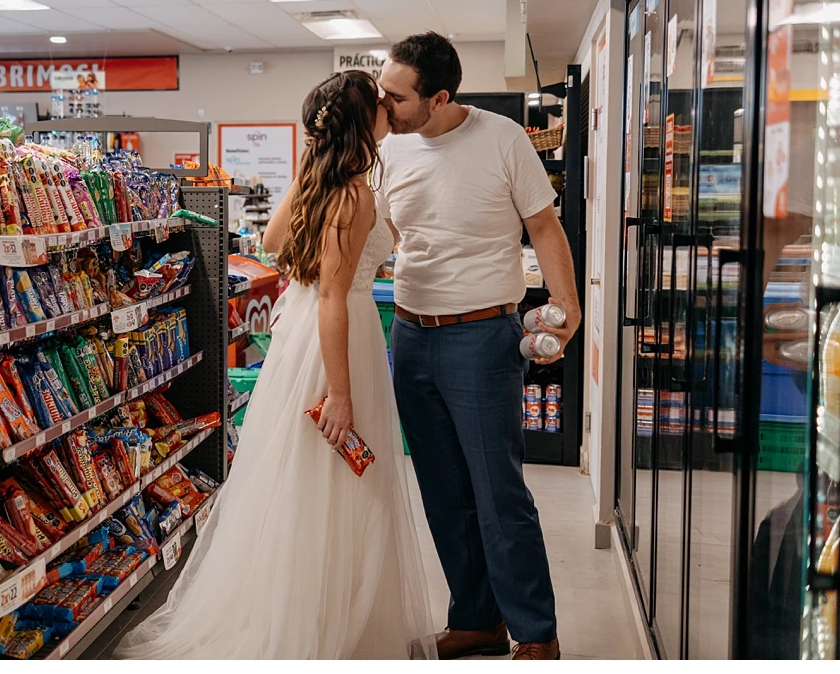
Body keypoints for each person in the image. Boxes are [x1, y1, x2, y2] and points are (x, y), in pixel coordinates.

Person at [114, 70, 437, 660]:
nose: (390, 107)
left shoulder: (322, 179)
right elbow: (337, 296)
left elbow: (270, 240)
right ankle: (326, 626)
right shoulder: (356, 193)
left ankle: (296, 608)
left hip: (301, 342)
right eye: (381, 102)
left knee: (296, 479)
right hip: (336, 342)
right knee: (338, 483)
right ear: (365, 122)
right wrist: (340, 394)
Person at [376, 32, 580, 661]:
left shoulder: (503, 138)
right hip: (409, 334)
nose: (383, 104)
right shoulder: (389, 149)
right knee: (440, 489)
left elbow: (544, 225)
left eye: (396, 95)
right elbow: (381, 233)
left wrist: (568, 309)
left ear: (438, 97)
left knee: (498, 492)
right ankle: (475, 618)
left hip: (483, 335)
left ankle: (534, 632)